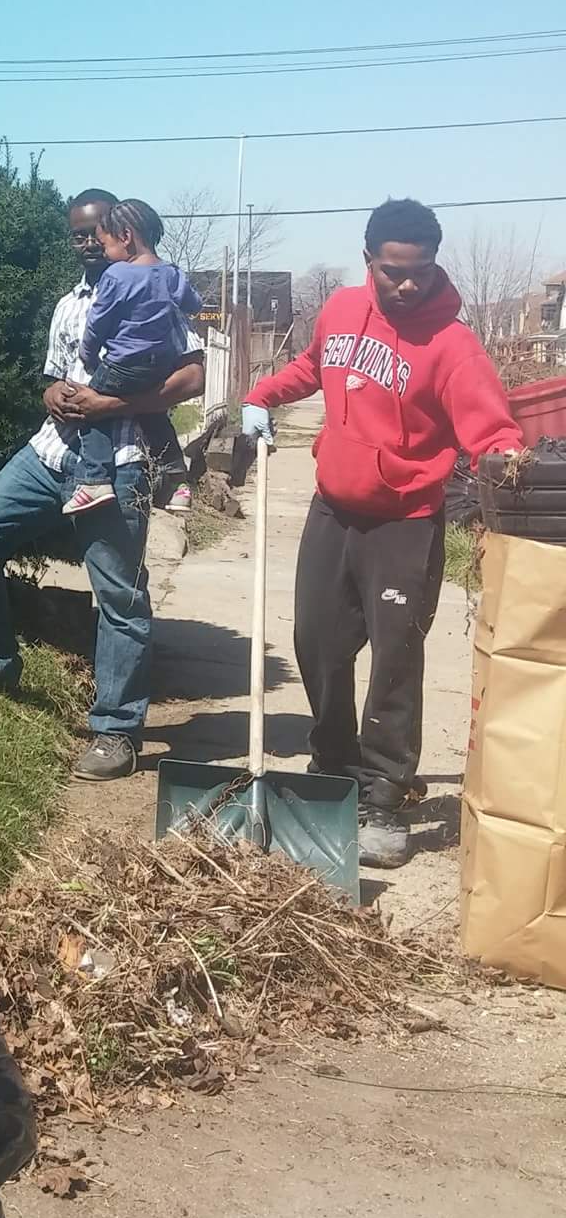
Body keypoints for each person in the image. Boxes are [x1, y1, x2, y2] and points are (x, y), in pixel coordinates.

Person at [242, 197, 522, 869]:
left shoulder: (452, 345)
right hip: (333, 509)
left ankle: (382, 795)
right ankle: (334, 766)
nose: (406, 283)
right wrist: (262, 395)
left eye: (419, 271)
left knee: (394, 662)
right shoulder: (340, 309)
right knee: (317, 641)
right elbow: (314, 365)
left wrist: (511, 478)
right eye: (394, 270)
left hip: (405, 522)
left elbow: (493, 430)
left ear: (433, 265)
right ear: (370, 260)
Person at [0, 189, 205, 781]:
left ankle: (116, 732)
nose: (86, 243)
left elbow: (192, 378)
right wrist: (52, 393)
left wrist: (113, 401)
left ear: (118, 232)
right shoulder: (67, 304)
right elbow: (53, 376)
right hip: (49, 454)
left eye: (95, 232)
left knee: (120, 597)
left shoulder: (154, 289)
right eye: (76, 234)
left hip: (123, 462)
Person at [66, 198, 204, 515]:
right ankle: (177, 482)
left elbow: (97, 321)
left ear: (126, 237)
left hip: (123, 365)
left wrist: (88, 354)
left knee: (89, 409)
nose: (102, 250)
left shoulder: (117, 275)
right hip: (159, 367)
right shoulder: (172, 273)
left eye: (105, 242)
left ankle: (95, 480)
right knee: (153, 415)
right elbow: (193, 305)